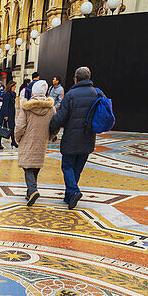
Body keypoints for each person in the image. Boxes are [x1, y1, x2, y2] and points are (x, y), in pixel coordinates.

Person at [48, 65, 100, 209]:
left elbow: (61, 117)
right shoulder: (97, 94)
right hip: (88, 137)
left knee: (67, 166)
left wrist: (51, 128)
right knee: (76, 168)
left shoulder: (71, 95)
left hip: (71, 138)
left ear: (76, 79)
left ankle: (74, 191)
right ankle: (69, 196)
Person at [14, 78, 56, 207]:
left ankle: (32, 190)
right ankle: (30, 193)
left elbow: (20, 126)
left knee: (27, 167)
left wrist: (18, 138)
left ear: (33, 92)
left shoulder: (26, 107)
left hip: (27, 139)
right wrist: (50, 136)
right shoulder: (51, 108)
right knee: (35, 165)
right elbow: (55, 125)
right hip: (41, 140)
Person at [0, 80, 18, 150]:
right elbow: (5, 105)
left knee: (12, 127)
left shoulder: (12, 94)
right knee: (2, 127)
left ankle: (13, 141)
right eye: (14, 87)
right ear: (11, 87)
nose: (15, 88)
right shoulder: (7, 94)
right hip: (5, 113)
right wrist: (5, 115)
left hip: (11, 113)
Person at [49, 77, 64, 142]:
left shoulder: (60, 89)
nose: (53, 80)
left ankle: (54, 135)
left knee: (54, 124)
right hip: (48, 108)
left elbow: (60, 101)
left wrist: (54, 108)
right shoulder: (51, 88)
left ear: (57, 81)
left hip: (55, 110)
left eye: (54, 79)